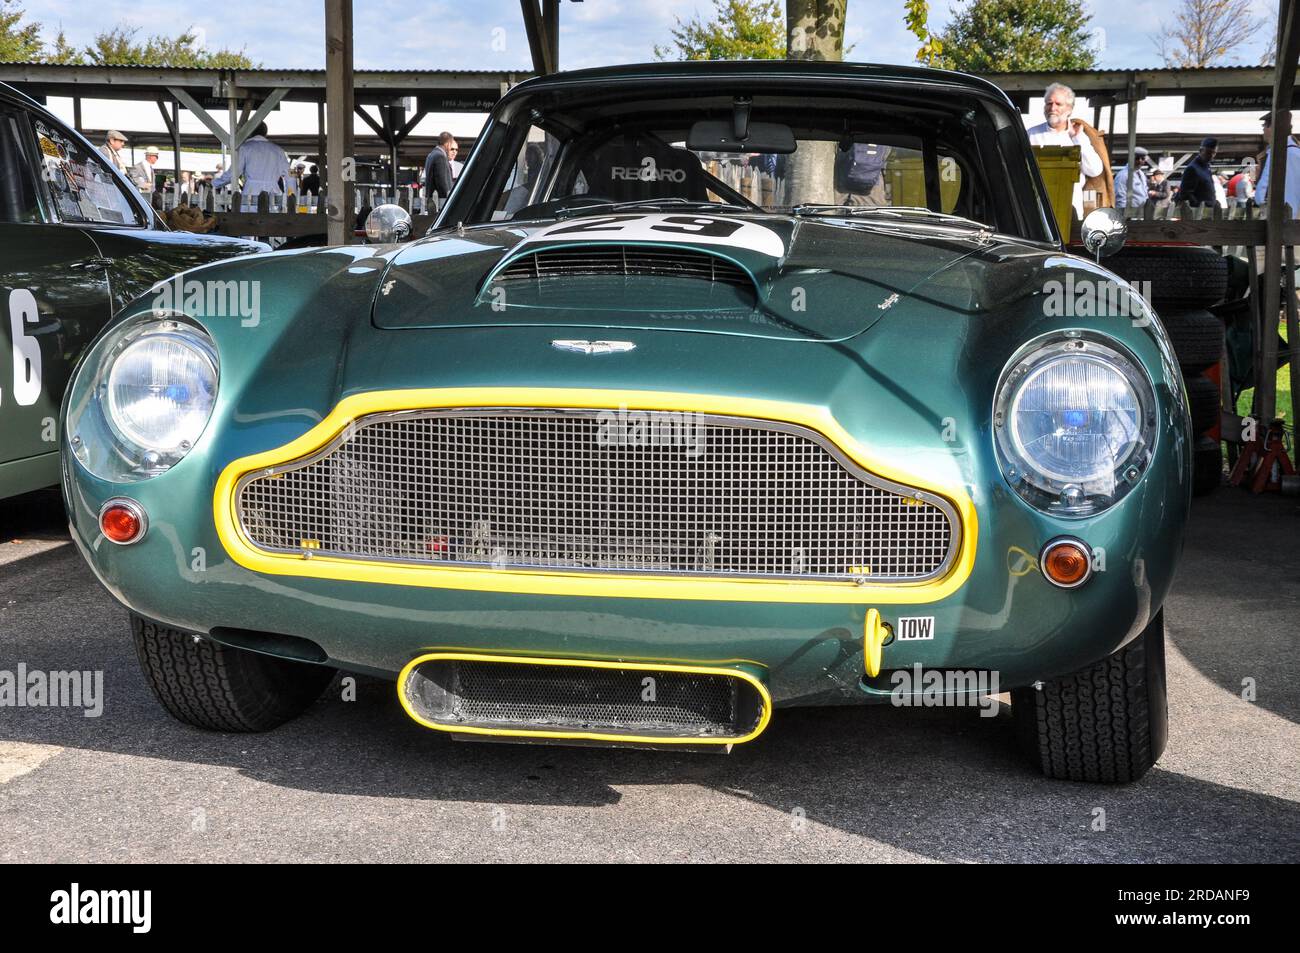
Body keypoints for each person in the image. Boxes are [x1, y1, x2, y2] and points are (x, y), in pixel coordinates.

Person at [1025, 82, 1103, 218]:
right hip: (1037, 211)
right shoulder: (1031, 134)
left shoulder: (1079, 135)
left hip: (1070, 210)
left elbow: (1095, 170)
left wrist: (1077, 138)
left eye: (1058, 104)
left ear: (1069, 109)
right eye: (1049, 103)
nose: (1052, 108)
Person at [213, 122, 290, 210]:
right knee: (271, 220)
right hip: (273, 193)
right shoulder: (278, 150)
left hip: (251, 192)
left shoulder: (245, 148)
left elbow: (233, 174)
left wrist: (215, 184)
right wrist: (291, 194)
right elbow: (289, 175)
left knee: (249, 220)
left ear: (250, 132)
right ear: (266, 133)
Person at [1253, 111, 1300, 216]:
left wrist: (1259, 201)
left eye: (1264, 125)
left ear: (1272, 127)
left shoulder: (1276, 153)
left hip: (1279, 217)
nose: (1263, 129)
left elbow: (1263, 192)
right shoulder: (1297, 152)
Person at [834, 142, 891, 206]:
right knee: (871, 209)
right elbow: (884, 154)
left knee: (836, 207)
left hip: (843, 175)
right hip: (871, 179)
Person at [1177, 138, 1218, 207]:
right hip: (1199, 213)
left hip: (1208, 211)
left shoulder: (1206, 167)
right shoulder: (1192, 168)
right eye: (1208, 152)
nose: (1211, 156)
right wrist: (1199, 205)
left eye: (1214, 153)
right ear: (1201, 151)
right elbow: (1185, 194)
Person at [423, 132, 458, 205]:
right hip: (439, 202)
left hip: (432, 200)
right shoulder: (440, 156)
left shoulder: (431, 155)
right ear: (448, 143)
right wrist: (448, 201)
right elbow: (442, 183)